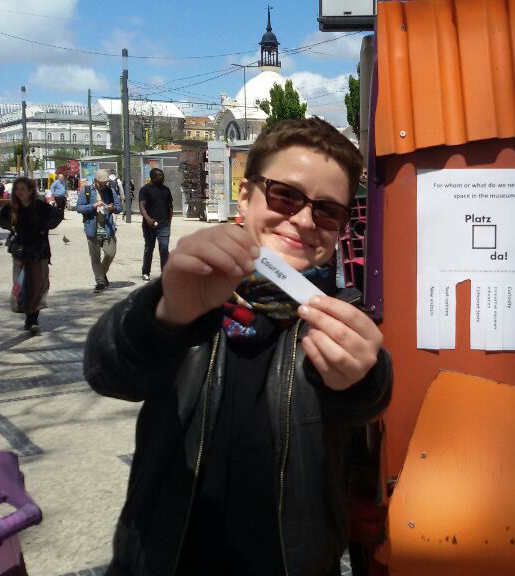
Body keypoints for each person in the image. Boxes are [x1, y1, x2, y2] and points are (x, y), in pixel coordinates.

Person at [84, 118, 393, 576]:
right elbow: (107, 373)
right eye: (285, 195)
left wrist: (364, 376)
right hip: (162, 559)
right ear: (246, 196)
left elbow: (370, 394)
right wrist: (166, 315)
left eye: (327, 210)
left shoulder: (338, 318)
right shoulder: (192, 288)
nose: (303, 220)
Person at [0, 177, 62, 334]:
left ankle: (32, 320)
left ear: (30, 191)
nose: (19, 192)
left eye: (22, 189)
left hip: (39, 251)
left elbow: (57, 215)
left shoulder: (41, 207)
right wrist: (10, 227)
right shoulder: (12, 207)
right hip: (20, 252)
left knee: (38, 284)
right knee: (21, 284)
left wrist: (45, 227)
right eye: (17, 189)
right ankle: (23, 309)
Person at [76, 169, 118, 292]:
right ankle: (100, 281)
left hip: (107, 228)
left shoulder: (110, 191)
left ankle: (102, 274)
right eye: (101, 183)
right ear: (95, 181)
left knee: (110, 253)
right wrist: (93, 206)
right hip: (92, 228)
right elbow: (79, 208)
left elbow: (119, 207)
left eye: (105, 183)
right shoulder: (86, 191)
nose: (103, 186)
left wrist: (112, 208)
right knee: (95, 257)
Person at [138, 167, 173, 281]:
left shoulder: (166, 190)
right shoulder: (145, 190)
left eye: (163, 176)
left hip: (164, 224)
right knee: (149, 248)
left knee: (164, 248)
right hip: (149, 225)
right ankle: (145, 272)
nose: (163, 178)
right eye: (160, 176)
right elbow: (142, 206)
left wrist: (169, 223)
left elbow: (170, 207)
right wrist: (148, 219)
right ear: (153, 177)